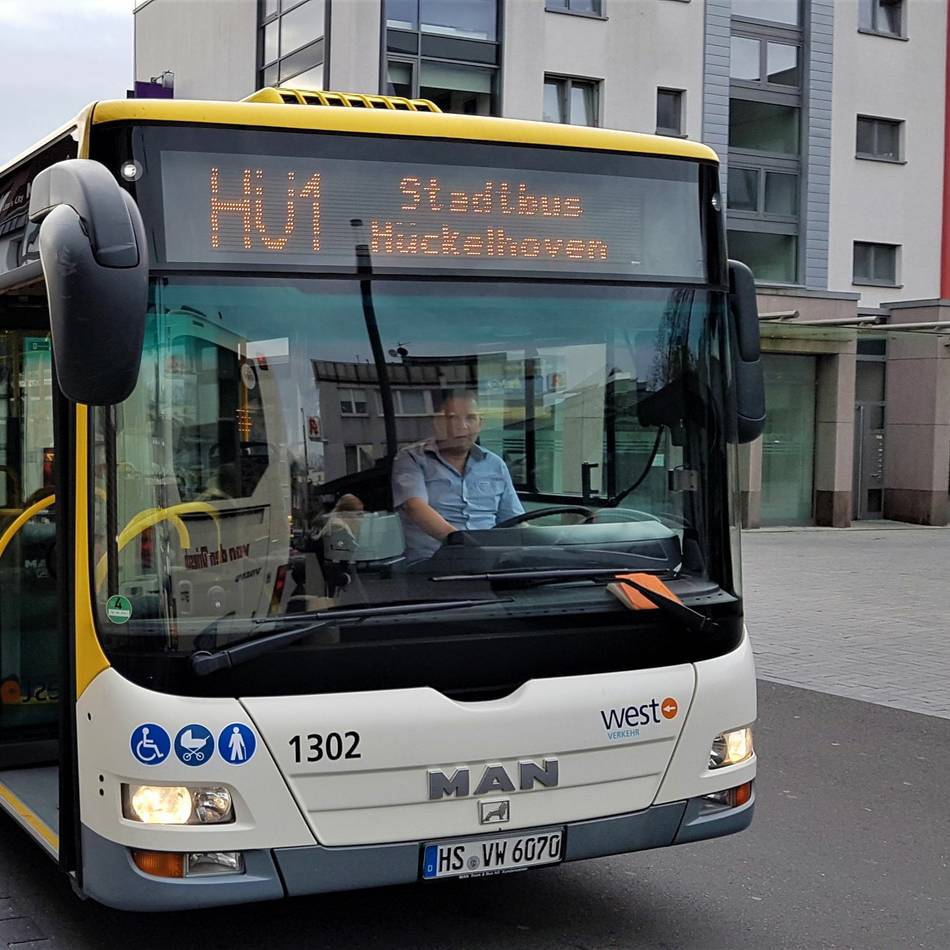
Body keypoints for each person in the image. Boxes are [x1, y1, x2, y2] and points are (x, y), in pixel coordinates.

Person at [391, 391, 524, 560]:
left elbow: (515, 521)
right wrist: (467, 545)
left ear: (480, 424)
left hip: (489, 562)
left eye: (470, 418)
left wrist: (553, 540)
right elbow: (415, 508)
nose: (462, 426)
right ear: (438, 423)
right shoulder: (411, 458)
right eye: (453, 418)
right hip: (431, 566)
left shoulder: (495, 464)